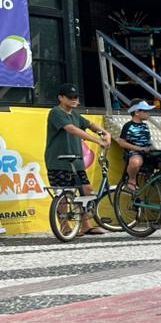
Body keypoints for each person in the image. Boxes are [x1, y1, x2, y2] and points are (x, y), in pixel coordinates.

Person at [45, 83, 112, 236]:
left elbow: (90, 124)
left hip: (76, 161)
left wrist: (104, 132)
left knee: (86, 190)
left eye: (76, 97)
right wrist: (98, 141)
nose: (74, 100)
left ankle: (85, 226)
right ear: (60, 98)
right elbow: (72, 129)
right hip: (58, 160)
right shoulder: (56, 112)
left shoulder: (75, 114)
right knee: (62, 194)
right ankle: (64, 227)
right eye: (70, 97)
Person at [116, 101, 156, 188]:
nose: (148, 113)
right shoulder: (128, 126)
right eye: (146, 111)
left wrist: (153, 149)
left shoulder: (145, 126)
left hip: (147, 151)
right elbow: (121, 142)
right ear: (137, 112)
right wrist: (138, 148)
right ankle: (132, 179)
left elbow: (148, 141)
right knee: (135, 162)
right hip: (134, 152)